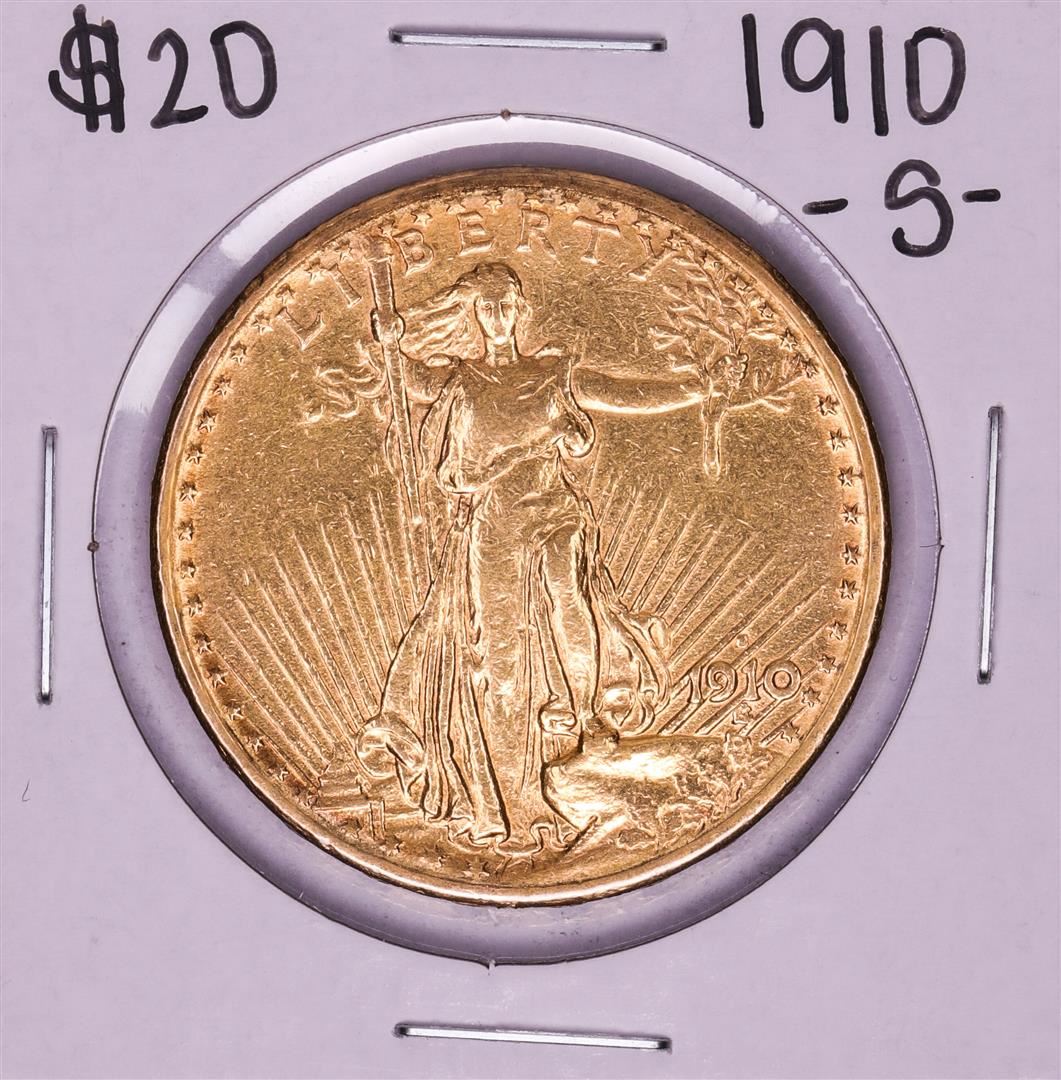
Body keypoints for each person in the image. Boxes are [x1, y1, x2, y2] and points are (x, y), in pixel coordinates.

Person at [353, 262, 668, 854]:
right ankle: (507, 796)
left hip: (552, 507)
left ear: (521, 311)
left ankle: (583, 711)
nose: (497, 317)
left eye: (506, 307)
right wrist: (389, 339)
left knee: (565, 590)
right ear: (477, 314)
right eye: (487, 308)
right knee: (495, 653)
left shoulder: (552, 373)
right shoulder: (461, 380)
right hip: (493, 524)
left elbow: (625, 394)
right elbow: (408, 378)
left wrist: (702, 388)